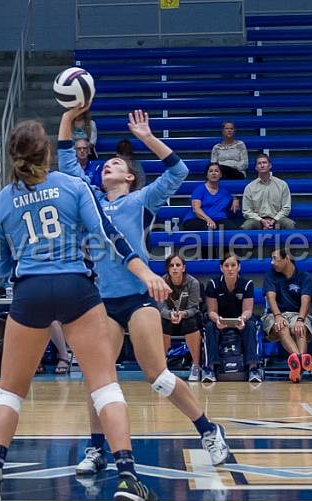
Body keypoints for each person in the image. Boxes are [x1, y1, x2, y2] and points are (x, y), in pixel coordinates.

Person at [0, 114, 168, 501]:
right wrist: (141, 267)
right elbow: (107, 237)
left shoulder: (1, 199)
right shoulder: (72, 185)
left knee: (10, 391)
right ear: (47, 152)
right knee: (104, 385)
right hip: (75, 287)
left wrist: (17, 271)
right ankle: (128, 478)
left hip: (29, 291)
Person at [58, 107, 231, 477]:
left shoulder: (140, 200)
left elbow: (179, 172)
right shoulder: (89, 200)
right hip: (102, 301)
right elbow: (64, 158)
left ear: (130, 176)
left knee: (159, 376)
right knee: (97, 377)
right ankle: (95, 448)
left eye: (116, 163)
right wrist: (70, 115)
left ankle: (208, 429)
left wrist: (146, 138)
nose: (108, 165)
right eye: (106, 164)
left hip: (138, 298)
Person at [262, 245, 312, 383]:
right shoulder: (270, 274)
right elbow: (271, 297)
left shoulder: (304, 277)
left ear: (287, 258)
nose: (272, 262)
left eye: (275, 259)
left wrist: (300, 319)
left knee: (299, 329)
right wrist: (278, 316)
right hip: (276, 314)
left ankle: (297, 370)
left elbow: (306, 301)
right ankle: (300, 359)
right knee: (282, 327)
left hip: (298, 313)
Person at [203, 252, 259, 382]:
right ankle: (210, 369)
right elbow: (212, 311)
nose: (230, 268)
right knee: (209, 327)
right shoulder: (213, 284)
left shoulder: (247, 284)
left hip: (240, 321)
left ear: (239, 267)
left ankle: (253, 369)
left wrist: (242, 319)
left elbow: (248, 310)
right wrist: (217, 320)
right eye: (226, 265)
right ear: (221, 268)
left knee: (251, 326)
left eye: (233, 265)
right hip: (219, 321)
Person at [158, 254, 203, 381]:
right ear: (168, 269)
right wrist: (170, 315)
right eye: (171, 265)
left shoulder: (193, 283)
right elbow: (161, 308)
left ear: (183, 268)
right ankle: (162, 368)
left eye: (178, 265)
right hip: (169, 318)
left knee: (191, 322)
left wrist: (183, 314)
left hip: (187, 317)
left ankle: (195, 365)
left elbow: (194, 308)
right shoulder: (162, 282)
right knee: (161, 323)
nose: (175, 268)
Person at [241, 154, 295, 230]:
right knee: (247, 225)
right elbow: (246, 211)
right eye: (259, 163)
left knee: (289, 224)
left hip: (277, 220)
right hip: (257, 220)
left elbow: (286, 208)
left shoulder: (282, 184)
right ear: (256, 168)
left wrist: (273, 220)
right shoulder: (250, 187)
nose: (262, 165)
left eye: (264, 162)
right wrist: (262, 220)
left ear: (270, 165)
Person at [182, 162, 242, 231]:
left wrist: (235, 199)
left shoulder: (225, 191)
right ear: (207, 175)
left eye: (216, 171)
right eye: (210, 171)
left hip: (217, 219)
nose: (213, 173)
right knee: (209, 230)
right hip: (197, 219)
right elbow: (196, 209)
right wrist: (208, 219)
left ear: (220, 175)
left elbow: (231, 197)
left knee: (234, 231)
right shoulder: (199, 189)